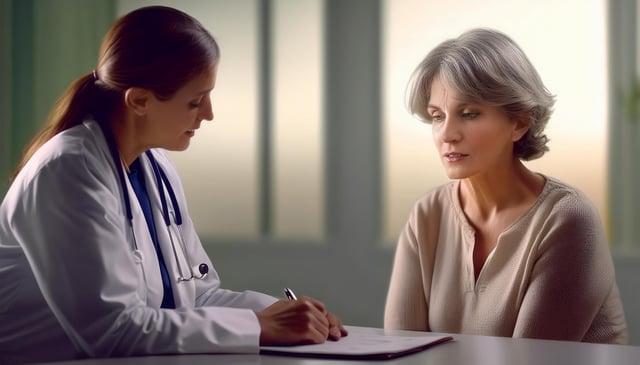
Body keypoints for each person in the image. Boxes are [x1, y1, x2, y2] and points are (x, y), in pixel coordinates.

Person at [0, 6, 346, 364]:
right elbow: (111, 332)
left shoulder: (155, 166)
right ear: (138, 100)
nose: (208, 114)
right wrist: (258, 326)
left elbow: (196, 297)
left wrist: (287, 313)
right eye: (195, 101)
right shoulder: (68, 170)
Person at [383, 28, 627, 344]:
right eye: (437, 116)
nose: (447, 134)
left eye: (469, 114)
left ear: (520, 122)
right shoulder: (427, 214)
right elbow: (400, 350)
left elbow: (527, 361)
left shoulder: (568, 218)